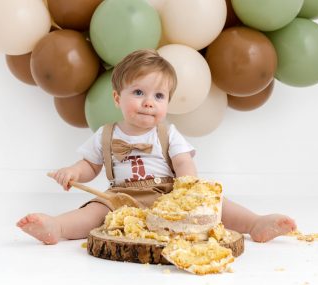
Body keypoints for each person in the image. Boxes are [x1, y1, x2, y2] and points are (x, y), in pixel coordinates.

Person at [17, 49, 296, 245]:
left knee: (215, 204)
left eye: (159, 95)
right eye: (138, 92)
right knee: (93, 212)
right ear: (117, 98)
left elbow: (183, 161)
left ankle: (254, 223)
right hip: (120, 196)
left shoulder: (168, 133)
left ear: (167, 103)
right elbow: (90, 165)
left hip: (167, 193)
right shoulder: (106, 134)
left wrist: (188, 187)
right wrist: (74, 173)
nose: (149, 102)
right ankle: (58, 226)